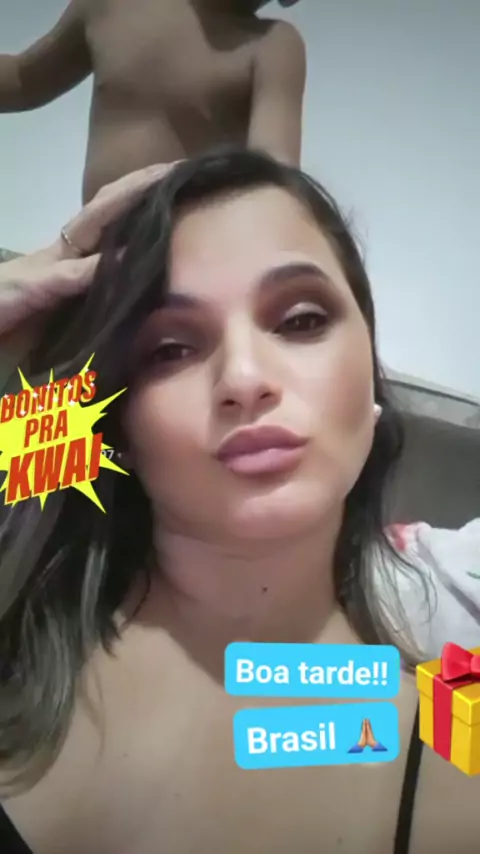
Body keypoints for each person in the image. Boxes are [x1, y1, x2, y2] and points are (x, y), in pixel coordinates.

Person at [0, 149, 479, 854]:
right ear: (118, 430)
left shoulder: (453, 746)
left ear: (371, 388)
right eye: (170, 349)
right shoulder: (17, 635)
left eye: (301, 320)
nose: (245, 378)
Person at [0, 0, 306, 203]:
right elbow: (24, 79)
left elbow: (273, 177)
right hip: (95, 252)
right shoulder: (111, 7)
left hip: (191, 258)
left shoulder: (273, 45)